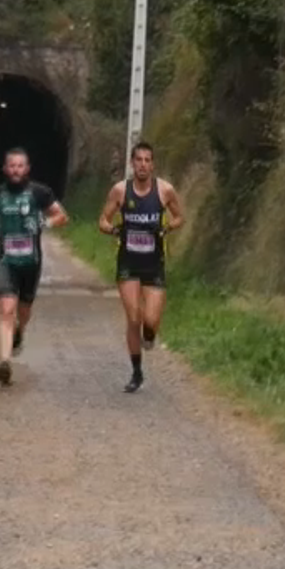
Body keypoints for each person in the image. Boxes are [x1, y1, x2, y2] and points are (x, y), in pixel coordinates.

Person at [0, 147, 68, 387]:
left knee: (23, 311)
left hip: (31, 263)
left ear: (27, 169)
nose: (16, 170)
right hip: (7, 262)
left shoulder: (39, 193)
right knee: (6, 309)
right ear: (5, 169)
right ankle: (5, 363)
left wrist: (44, 222)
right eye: (12, 166)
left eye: (20, 166)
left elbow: (62, 216)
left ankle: (20, 331)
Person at [98, 141, 184, 393]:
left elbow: (180, 217)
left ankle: (150, 336)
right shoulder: (120, 191)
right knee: (133, 317)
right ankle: (136, 372)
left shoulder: (165, 190)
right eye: (139, 160)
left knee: (151, 320)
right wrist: (115, 229)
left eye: (148, 160)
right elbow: (103, 220)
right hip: (128, 263)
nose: (143, 165)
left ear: (153, 164)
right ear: (132, 163)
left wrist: (167, 227)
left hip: (153, 263)